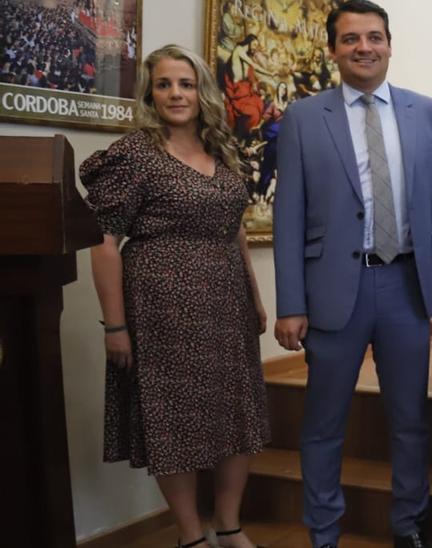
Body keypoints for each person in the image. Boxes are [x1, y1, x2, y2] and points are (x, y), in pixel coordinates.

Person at [272, 1, 432, 546]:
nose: (364, 48)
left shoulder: (426, 112)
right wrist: (289, 302)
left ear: (390, 44)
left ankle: (408, 528)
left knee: (410, 421)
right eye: (350, 39)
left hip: (406, 287)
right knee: (323, 423)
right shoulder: (305, 117)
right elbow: (289, 215)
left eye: (374, 37)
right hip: (332, 293)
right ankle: (323, 532)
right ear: (333, 50)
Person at [81, 44, 269, 548]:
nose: (175, 94)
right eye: (163, 84)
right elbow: (104, 240)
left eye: (185, 83)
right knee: (174, 419)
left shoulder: (221, 148)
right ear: (149, 93)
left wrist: (253, 297)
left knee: (237, 412)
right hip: (161, 309)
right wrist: (115, 325)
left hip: (227, 304)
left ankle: (229, 527)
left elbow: (235, 232)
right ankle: (191, 536)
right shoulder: (135, 153)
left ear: (200, 90)